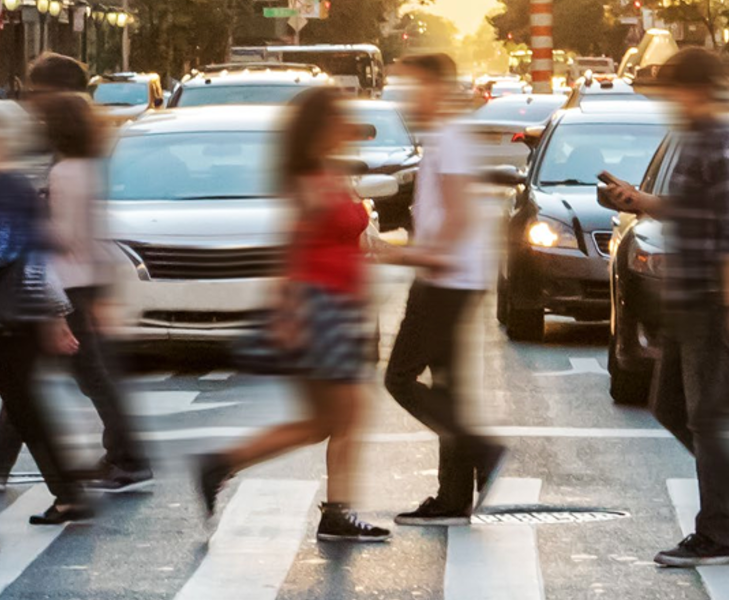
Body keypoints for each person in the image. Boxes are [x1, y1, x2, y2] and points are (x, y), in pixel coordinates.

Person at [195, 87, 443, 542]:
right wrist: (290, 311)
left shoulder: (333, 172)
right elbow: (293, 249)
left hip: (344, 307)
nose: (344, 125)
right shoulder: (306, 178)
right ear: (318, 126)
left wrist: (423, 257)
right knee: (344, 417)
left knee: (324, 423)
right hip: (321, 307)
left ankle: (226, 465)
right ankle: (331, 511)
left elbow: (366, 243)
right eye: (336, 118)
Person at [599, 48, 729, 567]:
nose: (666, 101)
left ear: (694, 90)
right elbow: (696, 209)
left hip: (713, 301)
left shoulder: (725, 143)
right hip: (689, 296)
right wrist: (640, 200)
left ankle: (715, 535)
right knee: (670, 406)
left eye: (673, 90)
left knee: (705, 418)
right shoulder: (697, 140)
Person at [385, 53, 508, 527]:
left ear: (436, 87)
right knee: (449, 391)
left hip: (444, 280)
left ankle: (481, 448)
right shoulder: (446, 136)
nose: (407, 97)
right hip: (452, 278)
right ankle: (453, 497)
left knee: (398, 378)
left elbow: (458, 214)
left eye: (413, 87)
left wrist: (410, 255)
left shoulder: (450, 138)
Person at [0, 99, 87, 525]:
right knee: (1, 410)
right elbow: (35, 256)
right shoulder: (7, 186)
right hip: (5, 319)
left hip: (1, 322)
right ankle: (69, 494)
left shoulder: (2, 188)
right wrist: (54, 313)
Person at [34, 92, 152, 492]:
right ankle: (121, 453)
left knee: (93, 378)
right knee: (95, 376)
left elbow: (63, 236)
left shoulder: (64, 172)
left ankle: (130, 458)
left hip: (67, 284)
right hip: (87, 279)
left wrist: (30, 224)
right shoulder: (88, 168)